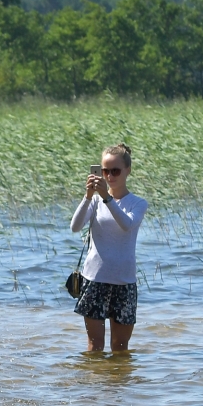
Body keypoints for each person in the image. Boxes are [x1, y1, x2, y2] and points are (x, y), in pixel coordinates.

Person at [70, 143, 147, 353]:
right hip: (95, 280)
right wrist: (88, 196)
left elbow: (127, 224)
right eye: (105, 171)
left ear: (127, 171)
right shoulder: (94, 201)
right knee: (95, 347)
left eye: (115, 171)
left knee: (120, 348)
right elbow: (75, 227)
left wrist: (107, 198)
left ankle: (118, 385)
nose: (110, 176)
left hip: (124, 282)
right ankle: (95, 384)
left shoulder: (137, 203)